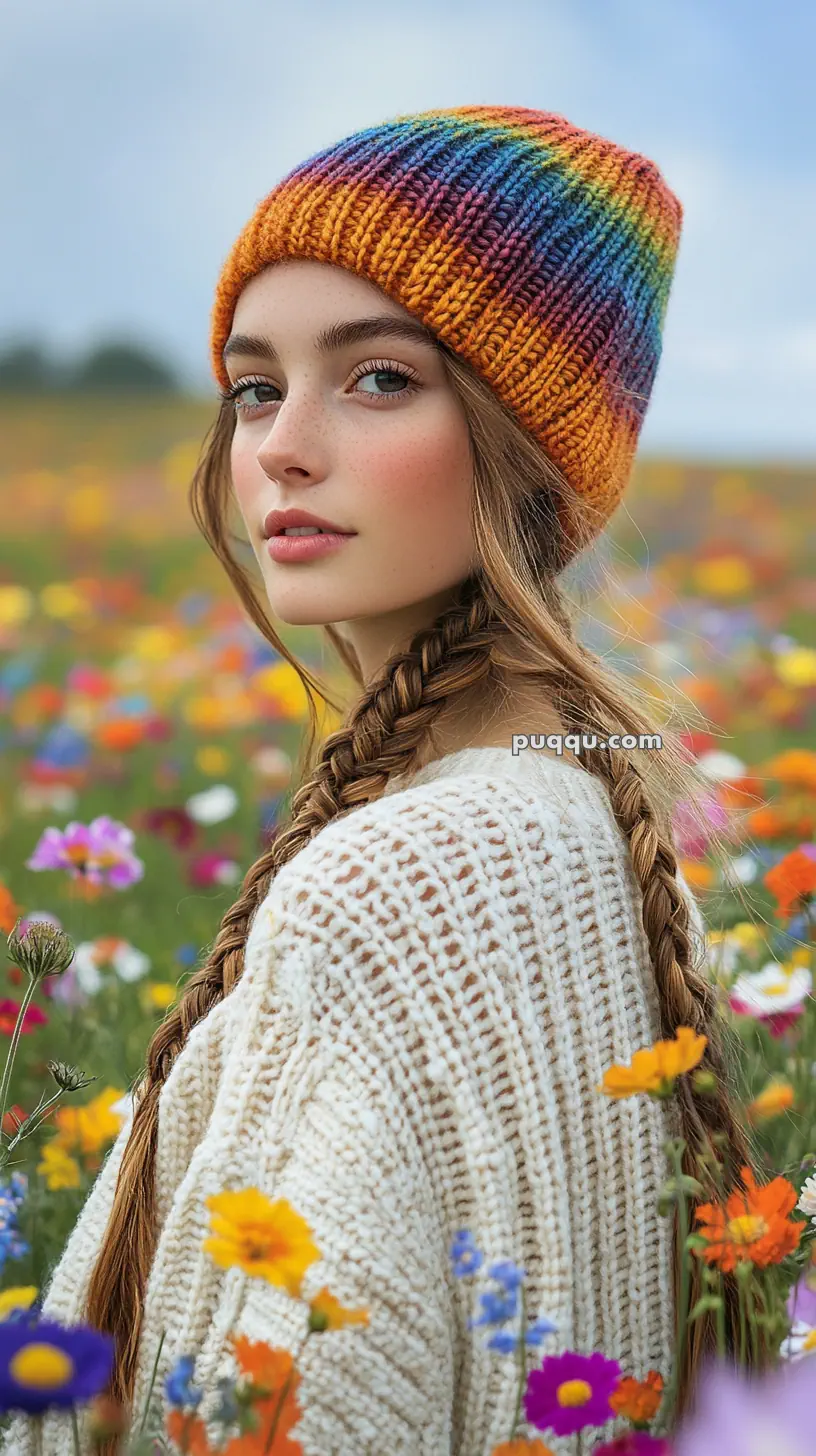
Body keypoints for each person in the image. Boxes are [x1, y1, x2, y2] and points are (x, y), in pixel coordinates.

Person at [4, 104, 755, 1456]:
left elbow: (289, 1408)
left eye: (379, 378)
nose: (281, 444)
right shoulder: (582, 809)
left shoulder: (388, 879)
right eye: (253, 385)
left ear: (530, 444)